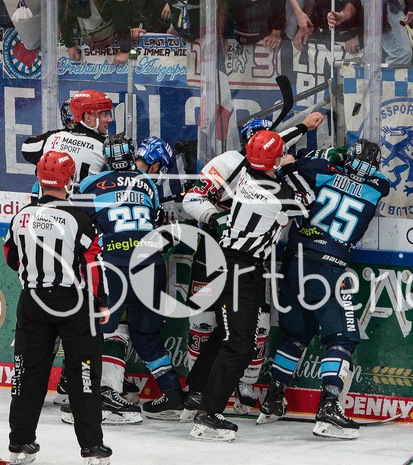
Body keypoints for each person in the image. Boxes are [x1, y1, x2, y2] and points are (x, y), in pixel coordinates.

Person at [180, 113, 325, 416]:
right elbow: (307, 200)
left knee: (226, 337)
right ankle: (208, 414)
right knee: (239, 345)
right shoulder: (276, 194)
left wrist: (300, 129)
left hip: (233, 264)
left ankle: (196, 393)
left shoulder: (244, 174)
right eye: (279, 155)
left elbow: (262, 152)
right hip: (240, 269)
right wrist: (291, 166)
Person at [259, 140, 390, 439]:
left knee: (296, 334)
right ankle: (329, 407)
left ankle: (273, 399)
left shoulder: (321, 171)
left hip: (294, 262)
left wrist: (324, 158)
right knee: (342, 339)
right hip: (329, 269)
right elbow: (378, 181)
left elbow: (298, 164)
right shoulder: (378, 187)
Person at [3, 151, 113, 465]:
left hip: (33, 301)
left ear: (39, 177)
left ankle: (20, 443)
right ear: (69, 180)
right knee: (83, 374)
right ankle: (92, 448)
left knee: (28, 373)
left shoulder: (21, 215)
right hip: (73, 303)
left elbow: (12, 257)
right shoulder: (78, 217)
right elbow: (93, 263)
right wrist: (101, 301)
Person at [75, 134, 181, 425]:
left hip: (114, 265)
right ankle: (172, 394)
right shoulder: (148, 184)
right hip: (150, 264)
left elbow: (79, 225)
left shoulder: (89, 183)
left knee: (99, 331)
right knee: (145, 334)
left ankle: (88, 396)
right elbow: (157, 221)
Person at [21, 89, 113, 189]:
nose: (110, 119)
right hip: (85, 203)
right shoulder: (106, 146)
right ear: (88, 117)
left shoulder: (53, 137)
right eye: (105, 114)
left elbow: (26, 148)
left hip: (49, 203)